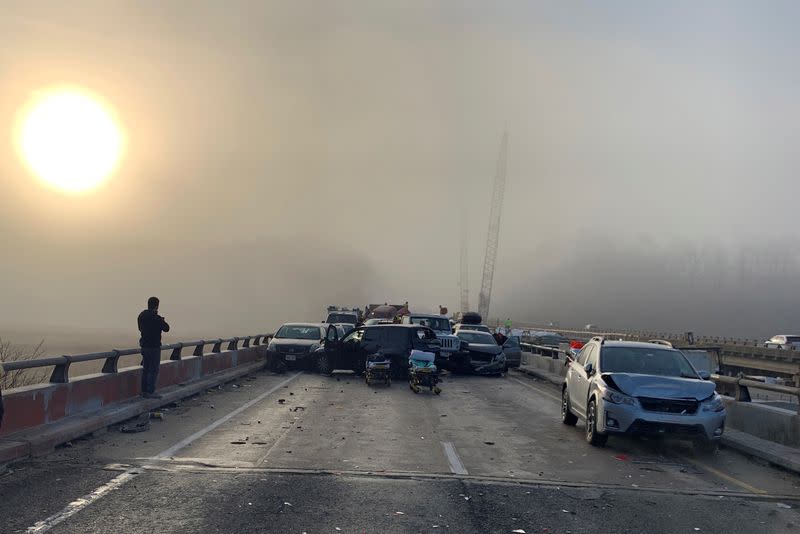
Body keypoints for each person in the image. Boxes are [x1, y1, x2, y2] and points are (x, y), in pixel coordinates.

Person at [137, 296, 170, 399]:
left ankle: (144, 391)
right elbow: (166, 328)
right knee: (154, 369)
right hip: (154, 347)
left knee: (146, 369)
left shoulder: (141, 316)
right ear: (156, 306)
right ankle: (151, 392)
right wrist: (161, 320)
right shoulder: (157, 318)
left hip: (144, 346)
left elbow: (140, 328)